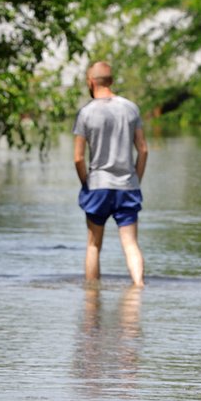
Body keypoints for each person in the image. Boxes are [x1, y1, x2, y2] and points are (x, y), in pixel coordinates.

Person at [73, 60, 148, 287]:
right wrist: (136, 180)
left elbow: (78, 157)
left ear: (90, 82)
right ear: (112, 81)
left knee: (93, 245)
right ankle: (138, 286)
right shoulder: (130, 108)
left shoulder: (85, 113)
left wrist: (86, 182)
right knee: (131, 243)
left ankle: (92, 296)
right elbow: (143, 149)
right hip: (127, 185)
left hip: (97, 186)